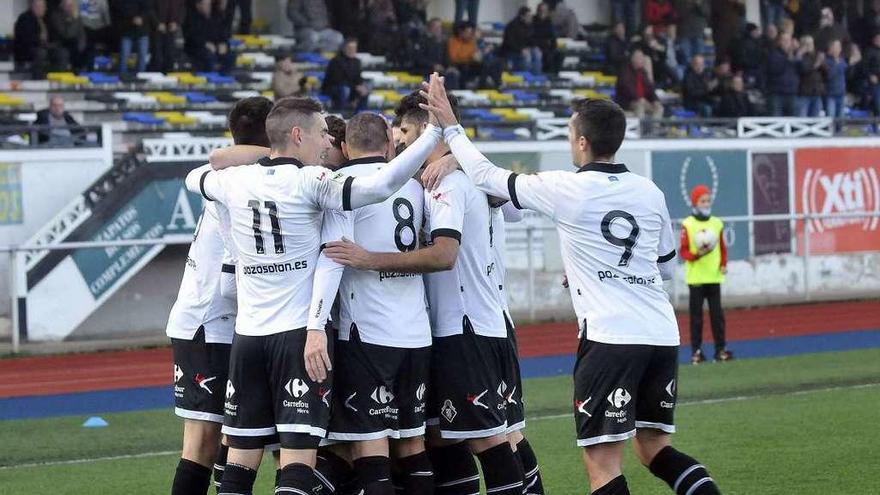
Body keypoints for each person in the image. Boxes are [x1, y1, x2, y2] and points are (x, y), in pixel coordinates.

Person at [418, 74, 723, 495]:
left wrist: (452, 129)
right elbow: (665, 267)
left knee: (602, 464)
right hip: (661, 333)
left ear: (582, 142)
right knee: (654, 448)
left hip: (610, 337)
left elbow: (489, 177)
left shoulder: (569, 188)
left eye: (569, 133)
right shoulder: (649, 191)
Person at [183, 93, 442, 495]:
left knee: (239, 463)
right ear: (298, 135)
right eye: (322, 133)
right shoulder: (312, 182)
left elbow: (197, 175)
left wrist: (253, 154)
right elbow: (384, 182)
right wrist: (436, 136)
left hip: (247, 339)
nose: (328, 142)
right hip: (298, 339)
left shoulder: (233, 181)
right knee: (297, 462)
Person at [323, 89, 528, 495]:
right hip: (454, 328)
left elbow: (444, 254)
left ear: (425, 131)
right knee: (454, 436)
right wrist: (459, 157)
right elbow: (513, 206)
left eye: (404, 129)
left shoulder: (442, 182)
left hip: (462, 327)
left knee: (487, 438)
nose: (399, 138)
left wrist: (368, 259)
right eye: (395, 132)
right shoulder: (426, 182)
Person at [306, 112, 435, 495]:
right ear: (391, 144)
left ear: (344, 147)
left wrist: (315, 325)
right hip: (416, 332)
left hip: (367, 334)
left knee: (371, 445)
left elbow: (333, 259)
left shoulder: (340, 186)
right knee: (412, 443)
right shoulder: (415, 187)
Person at [167, 96, 273, 495]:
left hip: (224, 323)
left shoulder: (238, 177)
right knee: (202, 442)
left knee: (242, 436)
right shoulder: (237, 183)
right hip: (209, 322)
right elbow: (231, 281)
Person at [680, 185, 733, 364]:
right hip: (696, 278)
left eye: (708, 200)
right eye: (702, 201)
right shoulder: (688, 223)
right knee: (696, 318)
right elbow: (684, 251)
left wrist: (723, 264)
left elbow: (723, 249)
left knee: (717, 316)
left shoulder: (717, 223)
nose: (706, 204)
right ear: (695, 203)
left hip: (714, 276)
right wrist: (697, 255)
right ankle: (696, 351)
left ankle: (720, 350)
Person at [184, 0, 234, 73]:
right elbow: (191, 36)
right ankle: (211, 75)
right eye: (205, 5)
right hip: (198, 47)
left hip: (216, 45)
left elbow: (223, 32)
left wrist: (223, 43)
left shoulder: (216, 15)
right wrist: (205, 44)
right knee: (207, 55)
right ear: (198, 5)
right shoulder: (191, 17)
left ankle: (225, 75)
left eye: (209, 4)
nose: (208, 7)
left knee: (229, 55)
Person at [322, 38, 370, 112]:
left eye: (354, 48)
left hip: (350, 87)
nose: (352, 50)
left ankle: (360, 115)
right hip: (333, 87)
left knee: (365, 90)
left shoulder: (357, 62)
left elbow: (358, 78)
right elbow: (336, 79)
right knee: (344, 89)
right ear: (344, 48)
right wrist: (355, 86)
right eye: (350, 48)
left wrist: (361, 86)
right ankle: (340, 113)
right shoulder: (336, 61)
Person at [615, 49, 665, 118]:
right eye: (640, 57)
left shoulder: (643, 72)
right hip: (628, 102)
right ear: (633, 59)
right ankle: (640, 128)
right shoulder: (625, 71)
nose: (642, 60)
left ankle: (655, 127)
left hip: (643, 101)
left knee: (659, 107)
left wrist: (655, 100)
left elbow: (650, 89)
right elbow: (627, 89)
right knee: (640, 106)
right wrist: (639, 98)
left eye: (642, 57)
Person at [14, 0, 54, 78]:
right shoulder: (25, 18)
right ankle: (38, 79)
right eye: (41, 7)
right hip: (26, 50)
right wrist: (40, 40)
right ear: (34, 7)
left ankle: (55, 78)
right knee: (40, 53)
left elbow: (51, 36)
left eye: (44, 7)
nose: (44, 9)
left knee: (60, 52)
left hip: (42, 47)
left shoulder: (45, 19)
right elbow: (27, 38)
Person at [113, 0, 151, 75]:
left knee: (142, 56)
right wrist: (132, 19)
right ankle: (122, 76)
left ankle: (140, 76)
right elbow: (118, 9)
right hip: (126, 31)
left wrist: (141, 17)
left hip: (142, 31)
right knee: (124, 56)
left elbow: (148, 8)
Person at [765, 32, 799, 116]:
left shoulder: (796, 55)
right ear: (779, 42)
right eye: (784, 40)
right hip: (777, 93)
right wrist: (788, 58)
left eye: (789, 40)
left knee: (793, 121)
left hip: (792, 92)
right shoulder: (774, 54)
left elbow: (804, 69)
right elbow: (776, 69)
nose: (787, 43)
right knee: (777, 121)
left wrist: (800, 53)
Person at [501, 7, 542, 74]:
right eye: (528, 16)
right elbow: (509, 42)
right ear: (522, 16)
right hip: (512, 51)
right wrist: (520, 49)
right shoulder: (512, 26)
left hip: (524, 49)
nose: (530, 18)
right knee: (527, 55)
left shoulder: (529, 26)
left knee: (537, 52)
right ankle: (525, 76)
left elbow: (531, 40)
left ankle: (536, 75)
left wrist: (535, 46)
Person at [48, 0, 87, 71]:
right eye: (68, 5)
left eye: (72, 5)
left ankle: (87, 75)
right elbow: (67, 35)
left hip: (75, 46)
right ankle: (75, 71)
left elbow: (82, 34)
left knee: (89, 49)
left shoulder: (76, 16)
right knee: (72, 44)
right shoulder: (56, 16)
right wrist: (74, 19)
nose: (70, 8)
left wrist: (81, 47)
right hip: (61, 43)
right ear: (62, 5)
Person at [152, 0, 185, 72]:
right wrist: (157, 23)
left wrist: (176, 23)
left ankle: (169, 78)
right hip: (156, 30)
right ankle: (156, 78)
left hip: (171, 30)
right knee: (157, 58)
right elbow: (150, 9)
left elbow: (182, 10)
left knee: (170, 56)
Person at [796, 35, 826, 117]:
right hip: (804, 93)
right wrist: (817, 64)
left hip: (816, 92)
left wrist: (823, 63)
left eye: (811, 43)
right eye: (807, 44)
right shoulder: (800, 56)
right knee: (802, 119)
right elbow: (804, 69)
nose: (810, 46)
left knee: (815, 119)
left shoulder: (817, 55)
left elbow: (826, 73)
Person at [534, 2, 561, 73]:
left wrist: (554, 46)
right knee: (545, 55)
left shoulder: (549, 21)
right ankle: (544, 74)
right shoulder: (533, 21)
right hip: (537, 45)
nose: (542, 12)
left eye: (544, 10)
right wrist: (545, 41)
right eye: (541, 10)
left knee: (559, 53)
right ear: (537, 11)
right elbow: (532, 36)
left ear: (547, 11)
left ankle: (555, 75)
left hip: (548, 46)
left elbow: (552, 36)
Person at [865, 32, 880, 116]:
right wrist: (870, 75)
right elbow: (865, 66)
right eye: (878, 39)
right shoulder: (869, 51)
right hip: (876, 82)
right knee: (878, 105)